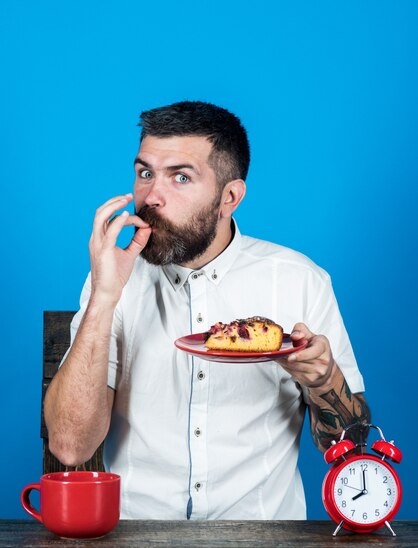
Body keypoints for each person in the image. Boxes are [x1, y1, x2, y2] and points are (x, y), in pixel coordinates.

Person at [44, 101, 370, 520]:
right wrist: (103, 298)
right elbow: (70, 447)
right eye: (145, 173)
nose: (152, 197)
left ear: (229, 197)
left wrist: (325, 380)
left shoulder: (299, 281)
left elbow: (350, 447)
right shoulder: (116, 280)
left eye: (180, 177)